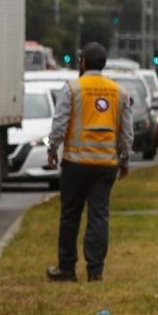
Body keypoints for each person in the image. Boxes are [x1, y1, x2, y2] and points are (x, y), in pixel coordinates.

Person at [45, 42, 131, 282]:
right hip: (105, 166)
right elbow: (126, 131)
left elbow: (60, 122)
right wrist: (124, 159)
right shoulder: (119, 92)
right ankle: (95, 271)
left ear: (82, 62)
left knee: (70, 215)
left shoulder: (73, 89)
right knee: (99, 215)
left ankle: (67, 268)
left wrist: (52, 148)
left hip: (76, 163)